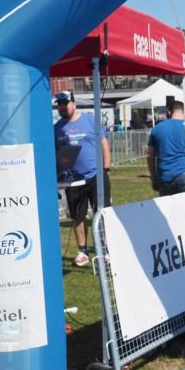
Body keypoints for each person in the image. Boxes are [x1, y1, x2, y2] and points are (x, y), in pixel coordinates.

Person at [53, 90, 111, 267]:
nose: (62, 106)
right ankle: (83, 250)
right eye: (59, 104)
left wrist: (106, 166)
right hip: (72, 179)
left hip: (96, 175)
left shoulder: (89, 120)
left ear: (74, 103)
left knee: (102, 213)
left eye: (65, 102)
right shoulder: (56, 128)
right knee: (77, 216)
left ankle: (106, 250)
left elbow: (103, 143)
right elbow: (56, 153)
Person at [146, 101, 185, 196]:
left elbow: (150, 156)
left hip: (164, 176)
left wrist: (154, 177)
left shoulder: (157, 129)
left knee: (166, 209)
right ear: (184, 112)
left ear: (169, 112)